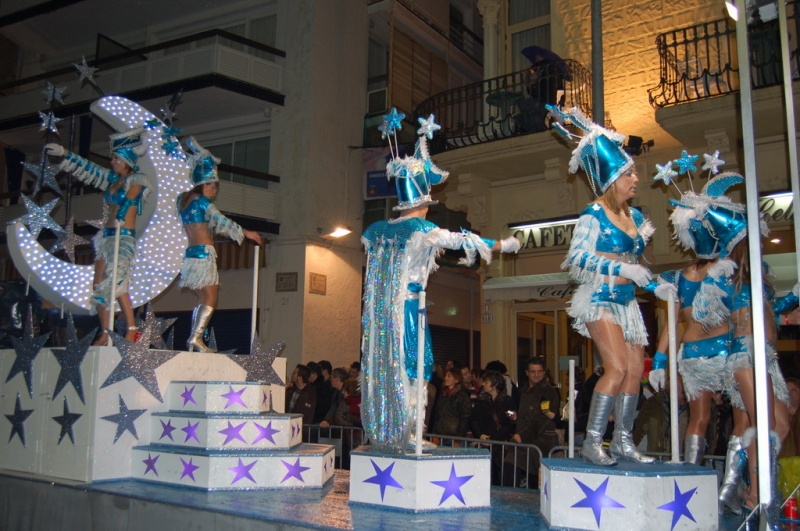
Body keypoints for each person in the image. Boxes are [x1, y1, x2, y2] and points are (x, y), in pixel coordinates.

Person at [360, 110, 520, 452]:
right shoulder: (422, 230)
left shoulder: (377, 232)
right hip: (408, 310)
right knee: (417, 366)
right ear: (424, 202)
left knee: (395, 367)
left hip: (383, 315)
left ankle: (393, 431)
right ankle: (410, 434)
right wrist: (500, 244)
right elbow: (460, 240)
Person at [548, 105, 672, 466]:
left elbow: (636, 264)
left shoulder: (632, 216)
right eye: (629, 173)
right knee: (616, 368)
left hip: (627, 303)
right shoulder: (593, 214)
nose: (636, 178)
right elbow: (577, 258)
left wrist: (655, 284)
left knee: (635, 371)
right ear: (612, 178)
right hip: (599, 298)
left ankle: (622, 442)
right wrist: (621, 268)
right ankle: (592, 441)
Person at [650, 166, 742, 473]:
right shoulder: (728, 271)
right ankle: (733, 483)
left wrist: (659, 362)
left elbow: (670, 325)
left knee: (698, 418)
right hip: (728, 349)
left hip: (691, 354)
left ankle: (690, 477)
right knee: (744, 416)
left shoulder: (679, 278)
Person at [46, 130, 151, 344]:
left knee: (117, 283)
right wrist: (66, 153)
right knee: (98, 284)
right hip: (107, 236)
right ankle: (105, 331)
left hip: (124, 236)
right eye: (112, 157)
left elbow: (132, 196)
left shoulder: (137, 178)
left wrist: (122, 213)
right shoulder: (113, 179)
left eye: (116, 158)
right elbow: (89, 168)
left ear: (127, 159)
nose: (112, 161)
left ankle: (131, 328)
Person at [177, 138, 261, 352]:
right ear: (202, 183)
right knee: (211, 297)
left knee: (203, 298)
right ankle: (195, 338)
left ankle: (194, 338)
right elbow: (222, 221)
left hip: (191, 256)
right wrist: (246, 232)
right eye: (212, 185)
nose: (214, 190)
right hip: (204, 255)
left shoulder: (184, 202)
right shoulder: (201, 202)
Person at [431, 367, 472, 440]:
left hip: (454, 435)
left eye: (449, 376)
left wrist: (459, 437)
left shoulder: (462, 396)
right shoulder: (443, 394)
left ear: (456, 379)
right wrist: (435, 433)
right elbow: (437, 415)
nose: (446, 378)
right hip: (440, 435)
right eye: (446, 375)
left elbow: (465, 418)